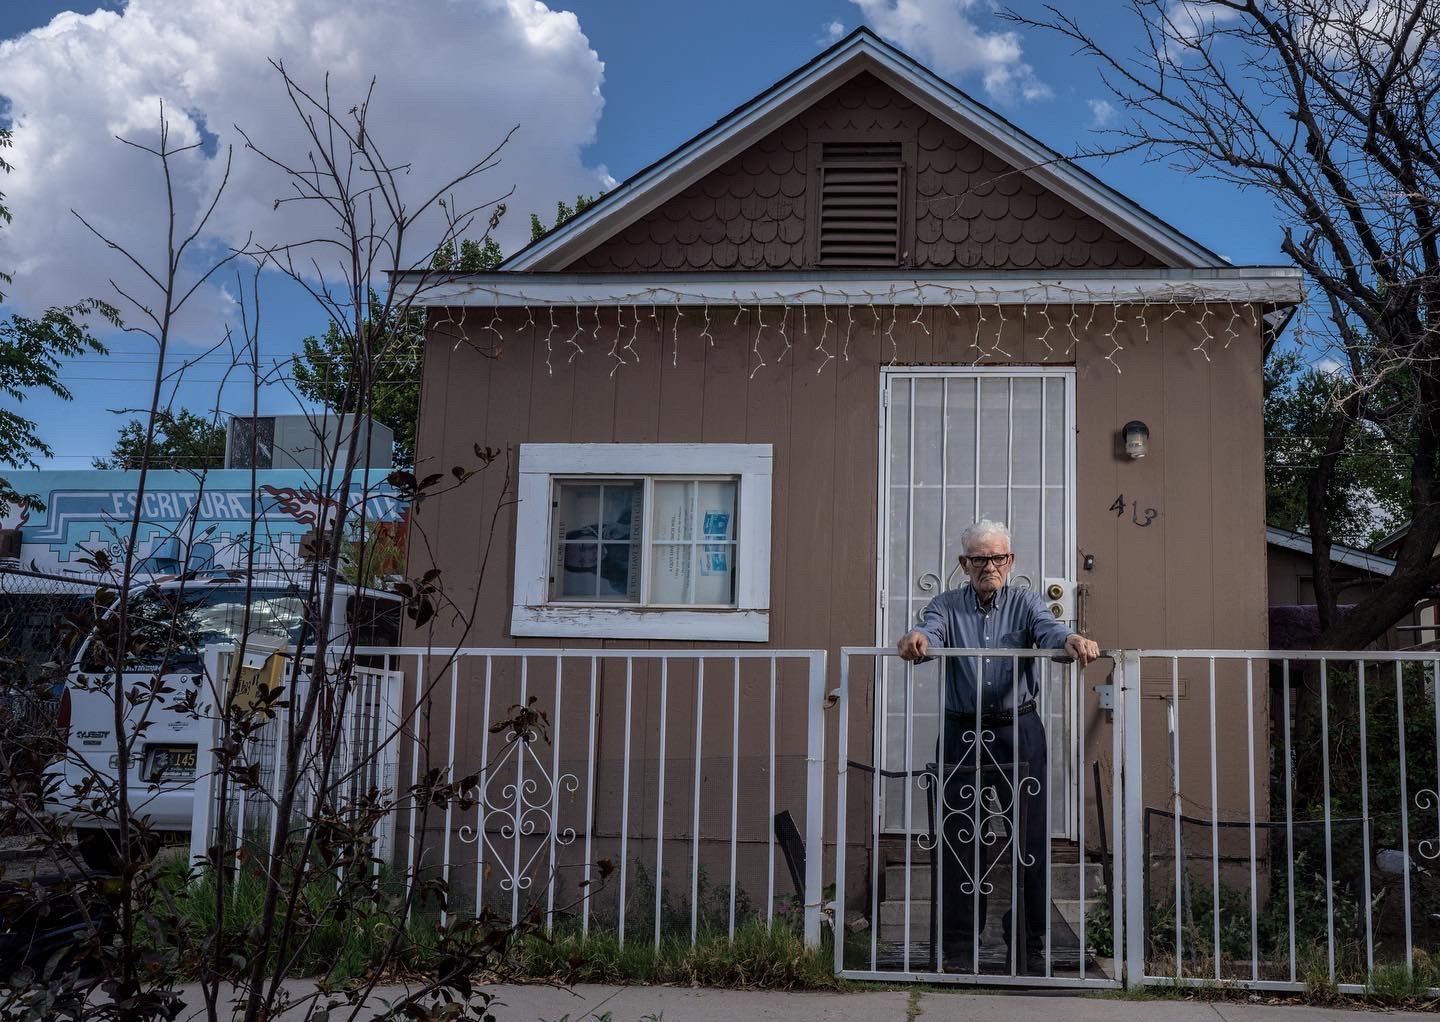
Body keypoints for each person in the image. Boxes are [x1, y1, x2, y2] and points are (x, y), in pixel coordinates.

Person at [896, 519, 1100, 975]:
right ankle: (959, 948)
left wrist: (1070, 639)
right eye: (980, 559)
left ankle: (1029, 946)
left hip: (1018, 731)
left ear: (1011, 561)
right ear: (963, 564)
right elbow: (929, 630)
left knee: (1029, 840)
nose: (990, 566)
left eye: (999, 557)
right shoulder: (946, 604)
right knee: (957, 840)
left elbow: (1049, 629)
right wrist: (918, 639)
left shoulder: (1026, 602)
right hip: (961, 731)